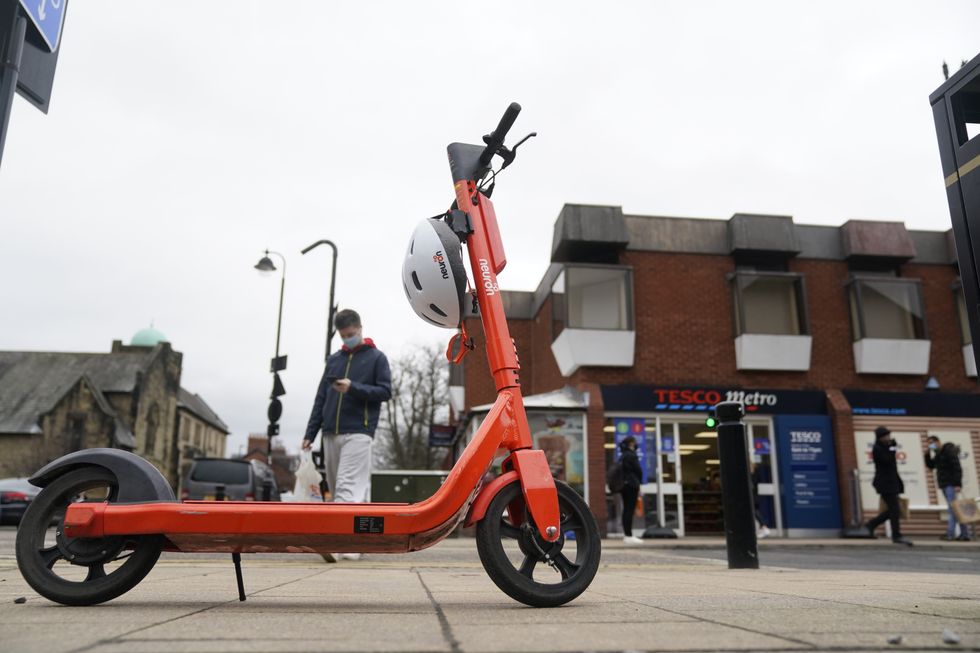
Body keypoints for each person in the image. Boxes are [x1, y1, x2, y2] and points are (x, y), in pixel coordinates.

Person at [302, 309, 391, 561]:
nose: (347, 339)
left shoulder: (377, 358)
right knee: (343, 489)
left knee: (346, 487)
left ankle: (339, 542)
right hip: (330, 433)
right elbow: (321, 397)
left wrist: (353, 388)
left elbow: (385, 391)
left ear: (360, 328)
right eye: (343, 336)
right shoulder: (334, 360)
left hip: (359, 432)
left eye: (351, 334)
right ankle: (355, 544)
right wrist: (311, 432)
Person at [864, 426, 913, 546]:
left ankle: (871, 524)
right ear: (880, 437)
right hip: (884, 483)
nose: (888, 438)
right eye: (885, 436)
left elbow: (893, 467)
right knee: (894, 509)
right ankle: (896, 535)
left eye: (888, 436)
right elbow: (886, 461)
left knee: (893, 509)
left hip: (891, 482)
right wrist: (892, 449)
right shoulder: (878, 448)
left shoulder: (886, 448)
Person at [925, 435, 970, 541]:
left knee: (952, 509)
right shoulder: (938, 454)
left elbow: (957, 467)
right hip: (944, 484)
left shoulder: (948, 451)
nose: (930, 445)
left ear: (938, 442)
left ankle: (950, 534)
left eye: (931, 443)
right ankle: (965, 534)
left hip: (951, 484)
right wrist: (926, 456)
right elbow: (931, 466)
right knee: (955, 509)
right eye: (929, 444)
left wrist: (958, 484)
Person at [619, 436, 644, 545]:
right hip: (632, 485)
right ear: (631, 443)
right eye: (634, 443)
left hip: (624, 485)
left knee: (626, 510)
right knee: (630, 509)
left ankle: (626, 534)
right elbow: (638, 470)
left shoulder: (622, 455)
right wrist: (639, 482)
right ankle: (629, 535)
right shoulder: (631, 455)